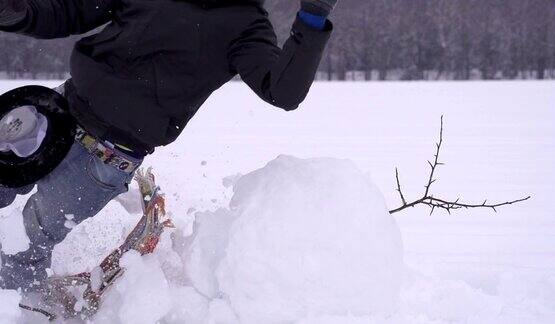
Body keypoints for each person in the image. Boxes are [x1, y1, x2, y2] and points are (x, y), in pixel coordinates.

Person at [0, 0, 337, 292]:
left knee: (28, 241)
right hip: (55, 109)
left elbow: (283, 89)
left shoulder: (245, 24)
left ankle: (13, 302)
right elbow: (70, 11)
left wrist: (312, 16)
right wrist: (18, 12)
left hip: (107, 158)